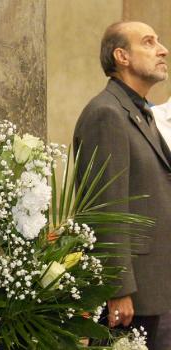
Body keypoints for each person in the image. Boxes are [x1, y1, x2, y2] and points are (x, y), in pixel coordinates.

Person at [74, 21, 171, 348]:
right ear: (122, 56)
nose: (162, 49)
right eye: (149, 42)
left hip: (157, 284)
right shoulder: (107, 114)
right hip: (133, 296)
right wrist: (118, 290)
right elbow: (105, 207)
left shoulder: (140, 111)